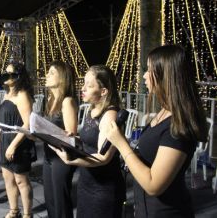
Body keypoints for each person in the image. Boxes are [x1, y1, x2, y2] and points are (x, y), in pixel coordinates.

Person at [106, 45, 208, 218]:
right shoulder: (163, 112)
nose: (144, 75)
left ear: (165, 76)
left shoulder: (179, 125)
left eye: (149, 70)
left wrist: (122, 145)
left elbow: (154, 185)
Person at [51, 65, 125, 218]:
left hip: (103, 188)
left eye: (89, 85)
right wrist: (71, 138)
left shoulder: (110, 115)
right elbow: (90, 141)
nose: (83, 88)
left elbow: (103, 157)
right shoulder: (92, 110)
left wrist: (72, 161)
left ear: (103, 91)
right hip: (86, 181)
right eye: (83, 83)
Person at [0, 62, 36, 218]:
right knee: (8, 178)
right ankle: (14, 210)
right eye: (5, 72)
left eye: (10, 73)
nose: (6, 76)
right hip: (5, 138)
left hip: (18, 140)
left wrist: (12, 145)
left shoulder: (23, 94)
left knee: (21, 180)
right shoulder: (6, 94)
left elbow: (27, 123)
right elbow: (2, 123)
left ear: (18, 77)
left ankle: (27, 214)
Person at [42, 61, 77, 218]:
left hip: (61, 157)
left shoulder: (67, 101)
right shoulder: (50, 100)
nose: (46, 75)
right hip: (48, 154)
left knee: (61, 202)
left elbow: (71, 135)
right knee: (50, 200)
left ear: (62, 78)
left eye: (51, 73)